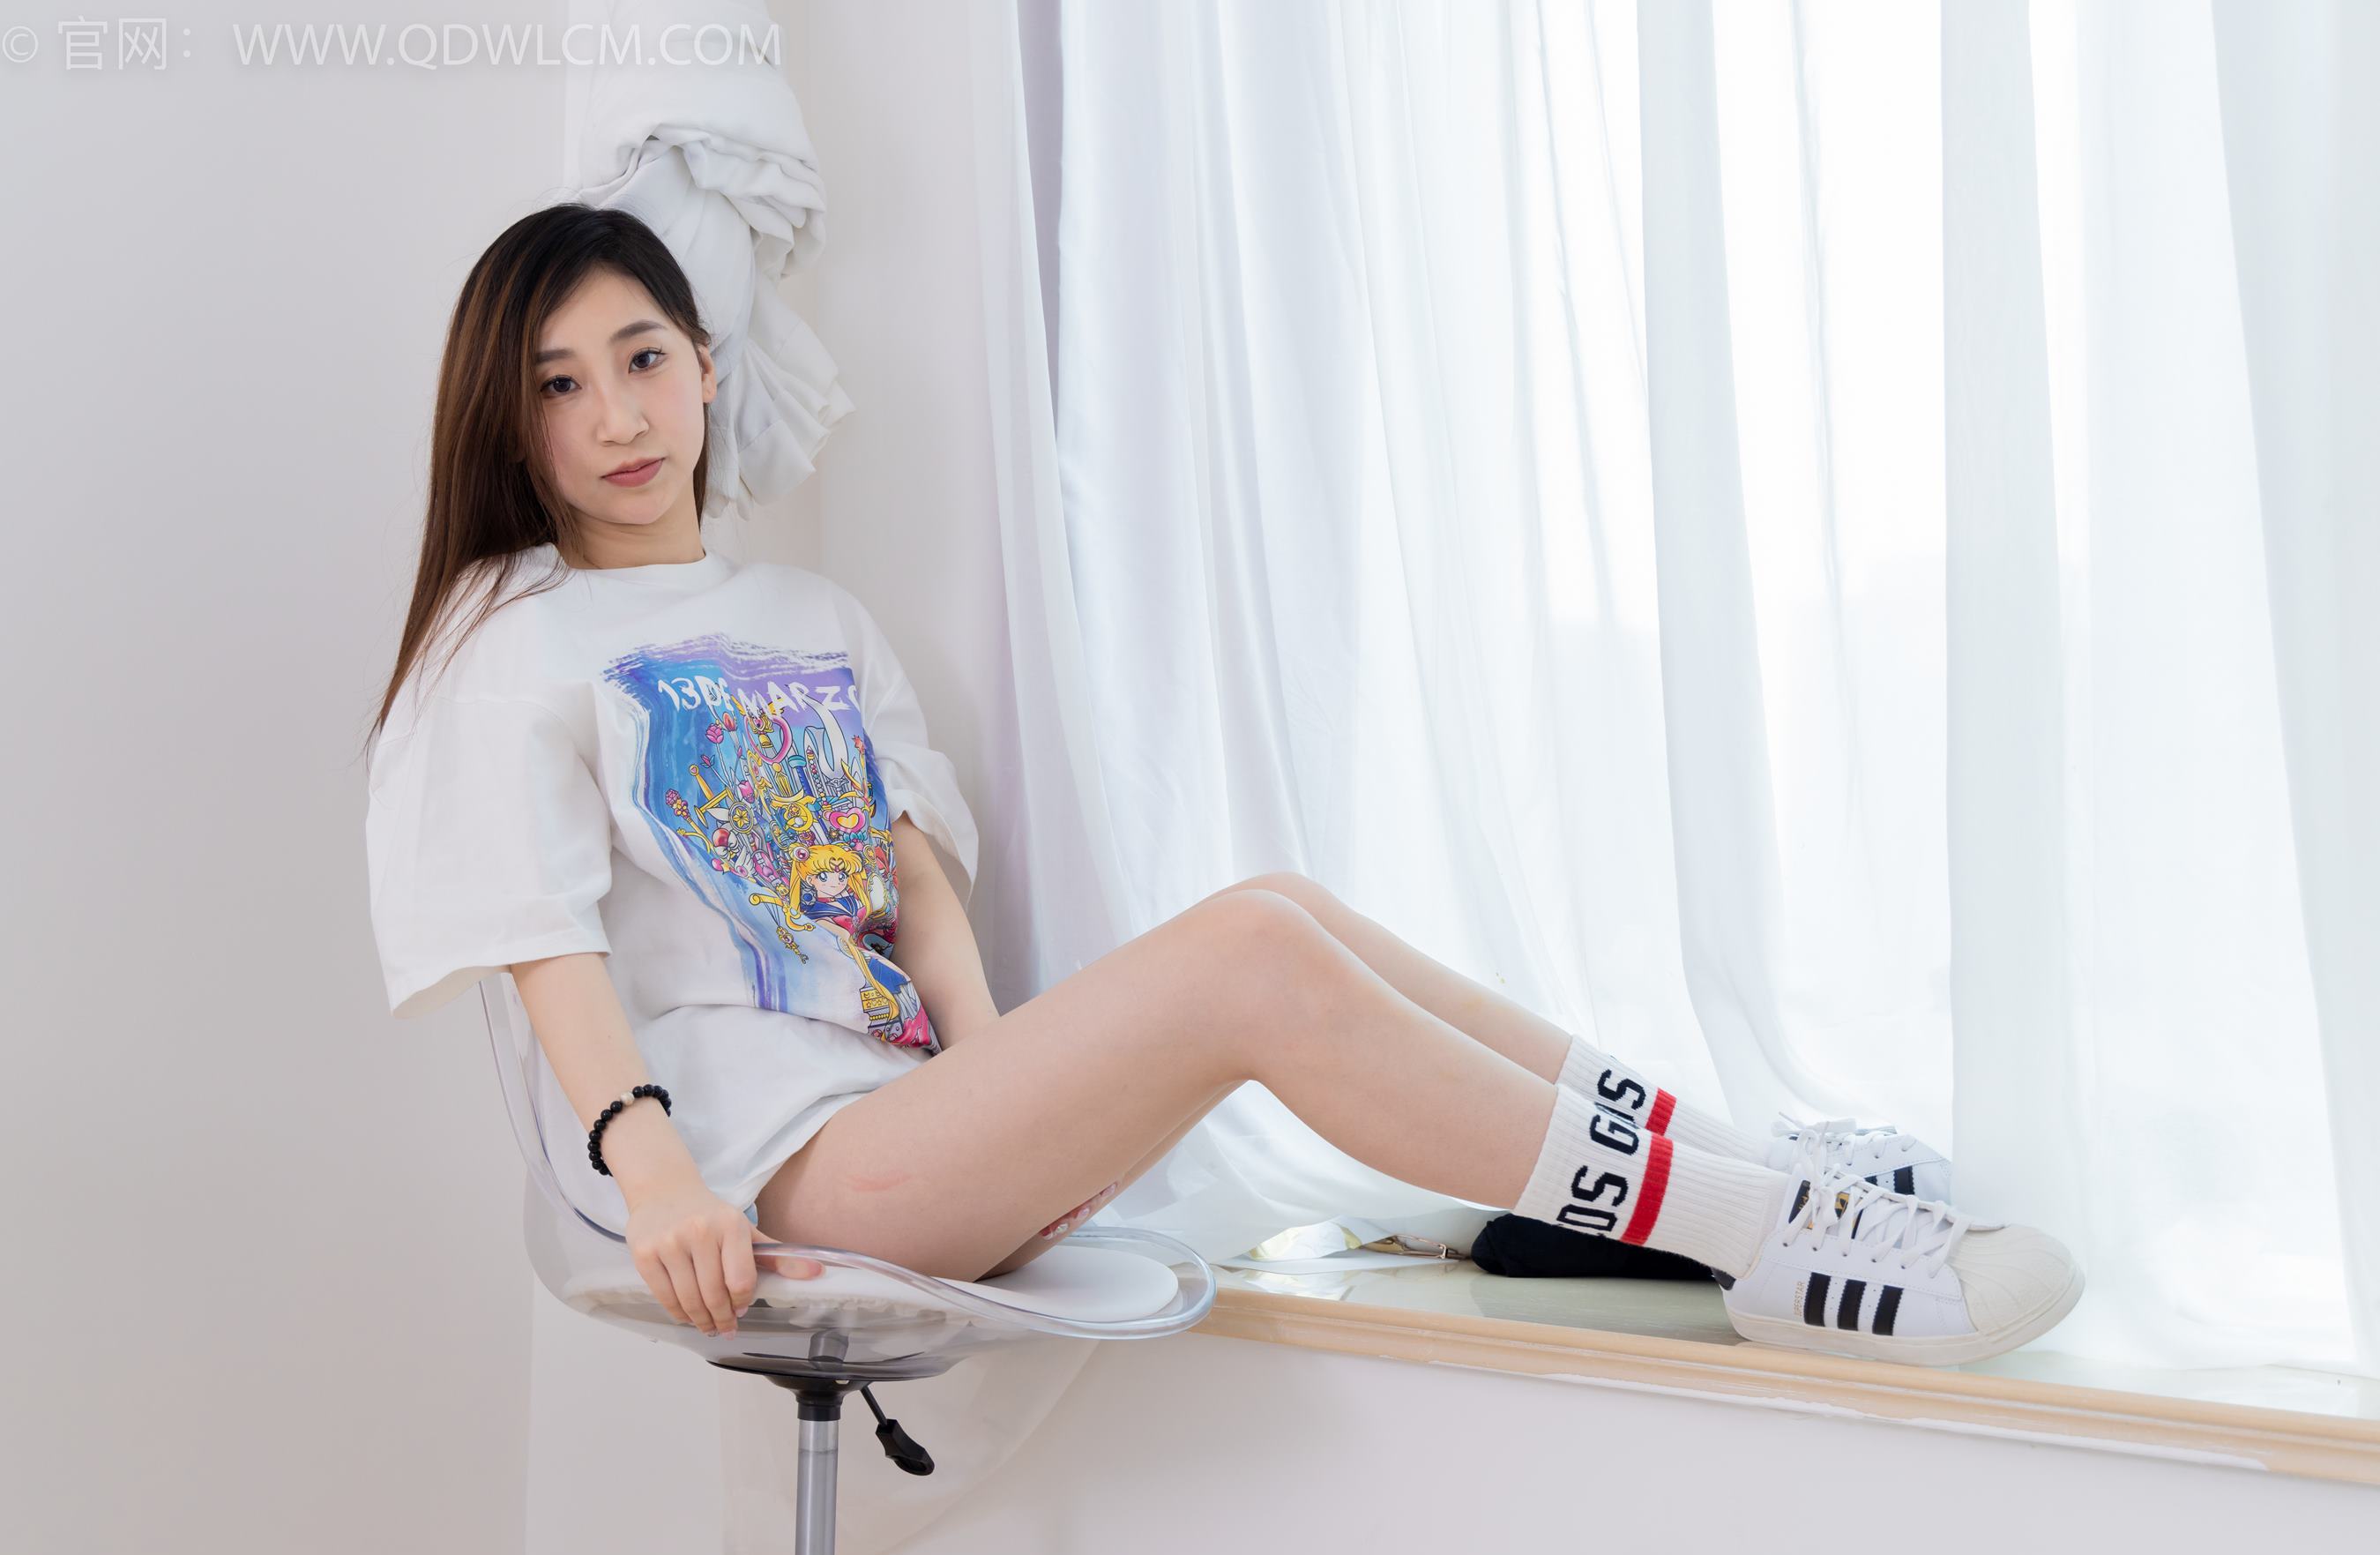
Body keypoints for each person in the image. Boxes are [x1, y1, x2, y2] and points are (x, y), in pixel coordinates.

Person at [361, 204, 2084, 1370]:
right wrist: (654, 1170)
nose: (617, 417)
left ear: (707, 367)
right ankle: (1775, 1246)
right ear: (513, 428)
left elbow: (909, 878)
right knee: (1252, 960)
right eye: (560, 386)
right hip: (780, 1173)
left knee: (1282, 908)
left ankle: (1754, 1172)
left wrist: (1003, 1071)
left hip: (920, 1126)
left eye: (643, 358)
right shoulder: (512, 638)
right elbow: (540, 939)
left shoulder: (811, 614)